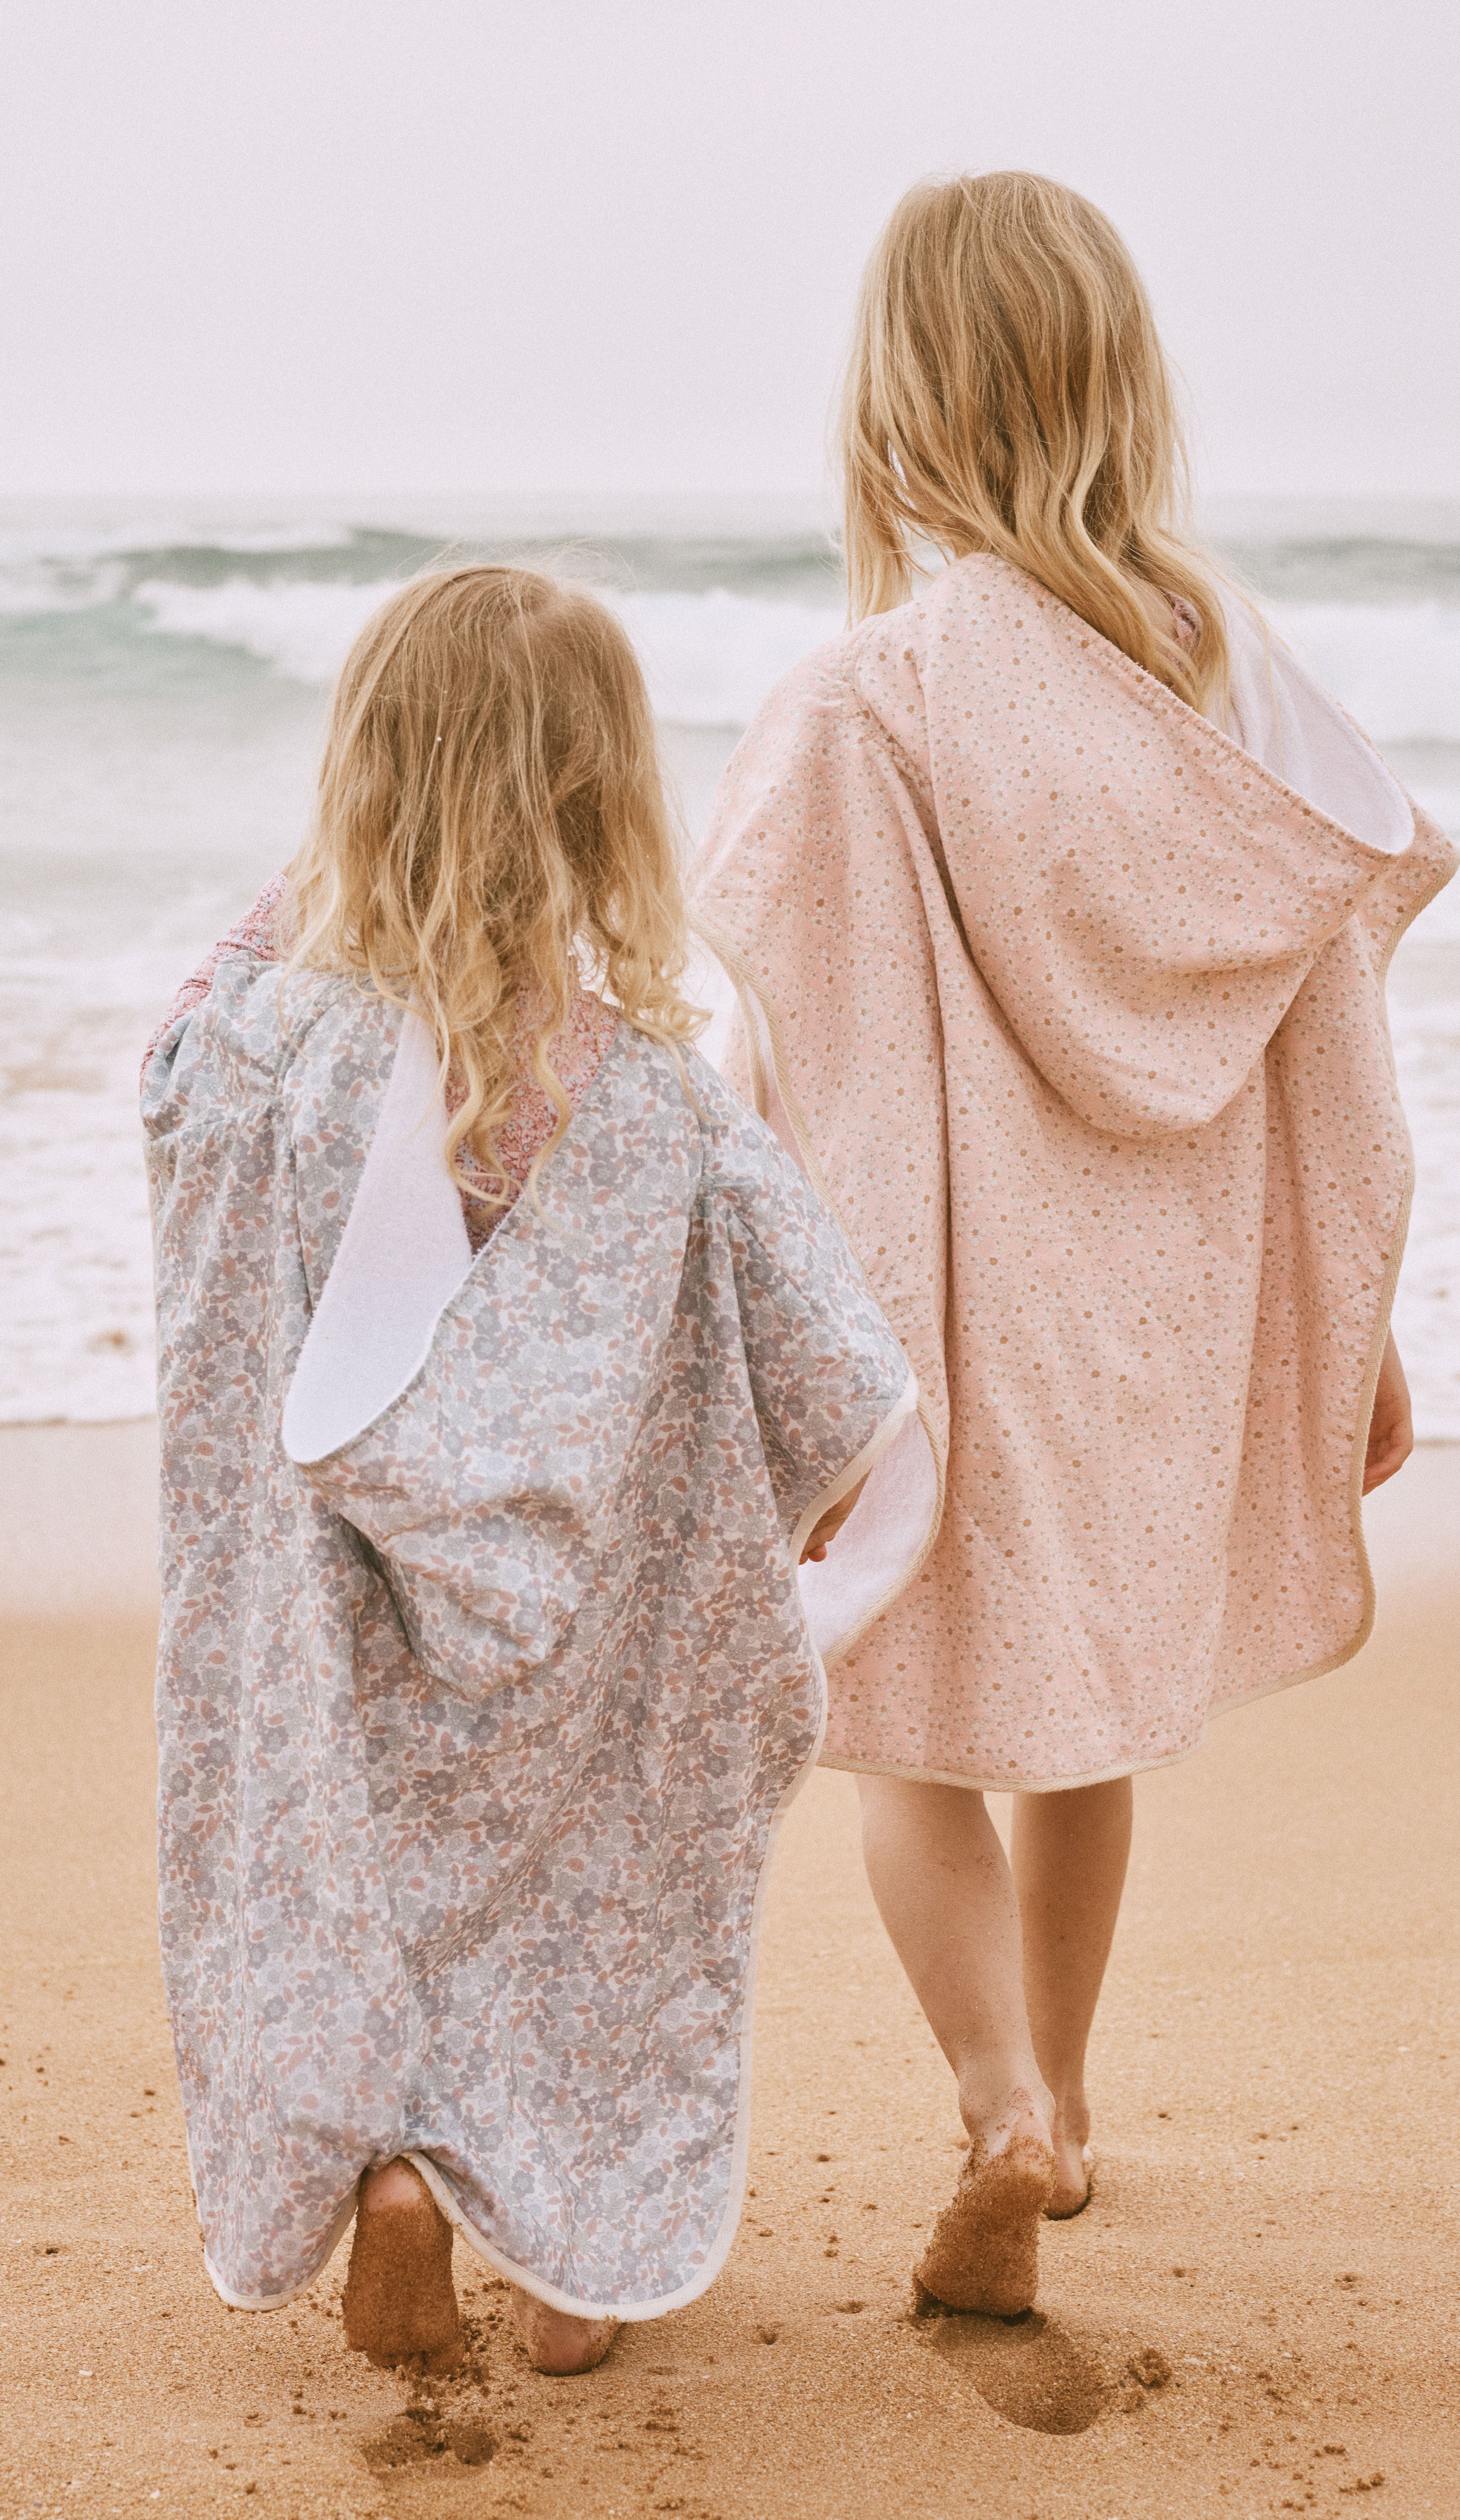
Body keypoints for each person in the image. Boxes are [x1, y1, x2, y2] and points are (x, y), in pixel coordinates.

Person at [692, 172, 1458, 2320]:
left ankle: (1002, 2099)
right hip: (1171, 1307)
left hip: (945, 1299)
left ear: (896, 405)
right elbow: (1337, 1041)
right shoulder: (1237, 687)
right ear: (1121, 381)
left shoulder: (869, 701)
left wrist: (781, 1341)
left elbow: (796, 1049)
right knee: (1088, 1720)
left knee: (917, 1726)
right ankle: (1083, 2101)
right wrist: (1352, 1324)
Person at [141, 567, 916, 2378]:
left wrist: (322, 879)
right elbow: (834, 1365)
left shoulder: (259, 1052)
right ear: (606, 806)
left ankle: (390, 2175)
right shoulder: (647, 1097)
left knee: (346, 1890)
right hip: (567, 1643)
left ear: (363, 780)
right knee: (598, 1896)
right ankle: (584, 2262)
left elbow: (166, 1076)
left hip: (331, 1620)